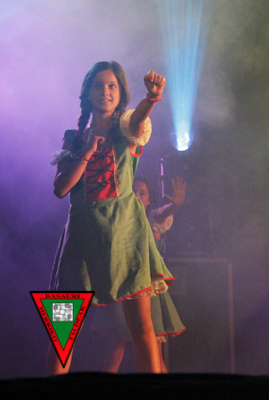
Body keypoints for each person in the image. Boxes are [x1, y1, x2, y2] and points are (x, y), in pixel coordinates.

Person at [49, 61, 169, 374]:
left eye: (112, 85)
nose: (105, 91)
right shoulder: (73, 138)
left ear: (121, 93)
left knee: (141, 326)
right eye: (98, 85)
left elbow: (138, 120)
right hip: (80, 237)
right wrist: (87, 151)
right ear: (87, 93)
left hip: (124, 235)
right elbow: (60, 189)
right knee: (62, 330)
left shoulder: (127, 130)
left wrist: (151, 98)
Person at [92, 176, 187, 373]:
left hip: (147, 291)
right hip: (122, 288)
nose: (136, 196)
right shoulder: (118, 220)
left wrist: (174, 205)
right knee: (114, 350)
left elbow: (163, 212)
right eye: (133, 192)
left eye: (142, 193)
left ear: (149, 199)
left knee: (154, 353)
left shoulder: (151, 219)